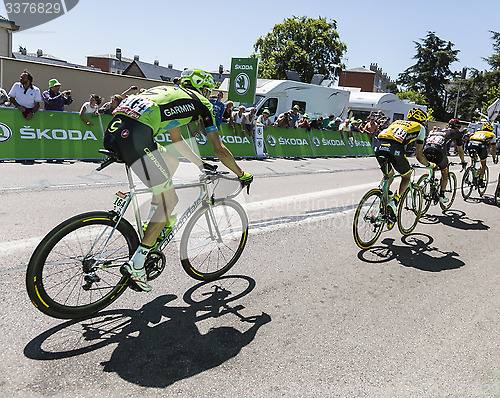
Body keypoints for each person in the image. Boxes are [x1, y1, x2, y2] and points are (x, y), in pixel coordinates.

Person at [103, 68, 253, 292]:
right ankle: (137, 264)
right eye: (207, 89)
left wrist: (200, 164)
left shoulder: (171, 93)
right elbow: (219, 149)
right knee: (170, 201)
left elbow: (177, 141)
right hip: (136, 136)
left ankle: (154, 221)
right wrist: (241, 173)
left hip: (114, 132)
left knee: (170, 162)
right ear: (202, 88)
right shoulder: (203, 103)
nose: (207, 93)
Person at [374, 108, 431, 216]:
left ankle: (383, 204)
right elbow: (419, 156)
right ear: (422, 120)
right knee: (406, 176)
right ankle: (394, 201)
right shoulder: (420, 128)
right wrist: (429, 165)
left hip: (379, 146)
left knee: (388, 176)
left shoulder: (397, 122)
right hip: (395, 148)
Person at [423, 119, 467, 203]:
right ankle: (442, 196)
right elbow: (460, 150)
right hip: (438, 151)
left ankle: (426, 180)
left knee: (431, 166)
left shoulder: (439, 130)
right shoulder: (456, 132)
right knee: (444, 172)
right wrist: (463, 161)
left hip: (426, 149)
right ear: (457, 127)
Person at [466, 122, 497, 187]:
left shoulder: (478, 132)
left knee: (472, 160)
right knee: (483, 164)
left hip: (470, 144)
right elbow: (493, 149)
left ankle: (467, 174)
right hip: (480, 145)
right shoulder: (492, 134)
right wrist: (494, 158)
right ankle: (481, 180)